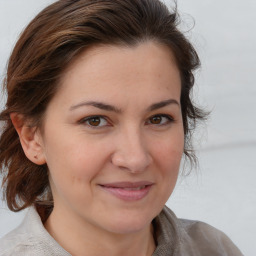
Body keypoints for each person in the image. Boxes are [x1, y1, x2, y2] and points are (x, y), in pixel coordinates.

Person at [0, 0, 243, 255]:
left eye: (158, 118)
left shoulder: (215, 249)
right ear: (31, 137)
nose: (135, 159)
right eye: (95, 120)